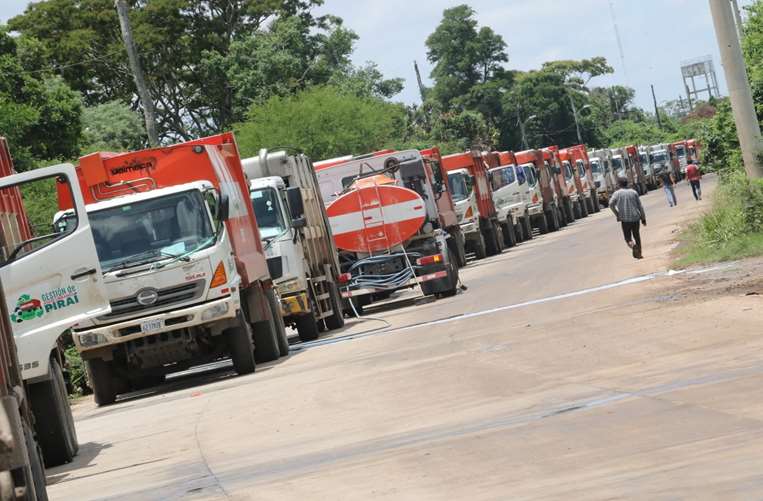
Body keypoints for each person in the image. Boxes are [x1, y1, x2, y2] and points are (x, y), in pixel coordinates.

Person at [609, 177, 646, 259]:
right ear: (627, 183)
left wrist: (617, 214)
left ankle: (633, 246)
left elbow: (611, 204)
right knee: (637, 236)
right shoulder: (634, 192)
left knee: (628, 238)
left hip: (625, 219)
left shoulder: (617, 193)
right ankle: (639, 253)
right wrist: (643, 218)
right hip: (636, 218)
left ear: (619, 184)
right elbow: (640, 206)